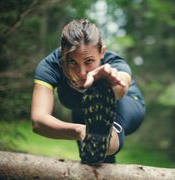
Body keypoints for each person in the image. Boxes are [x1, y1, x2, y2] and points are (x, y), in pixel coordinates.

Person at [31, 19, 145, 164]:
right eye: (72, 62)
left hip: (126, 104)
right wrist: (79, 131)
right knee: (93, 164)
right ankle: (96, 146)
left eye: (89, 61)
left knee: (105, 121)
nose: (82, 72)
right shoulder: (50, 67)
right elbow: (38, 121)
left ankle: (104, 138)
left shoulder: (113, 62)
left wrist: (109, 84)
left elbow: (121, 89)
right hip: (83, 112)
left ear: (102, 52)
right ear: (62, 53)